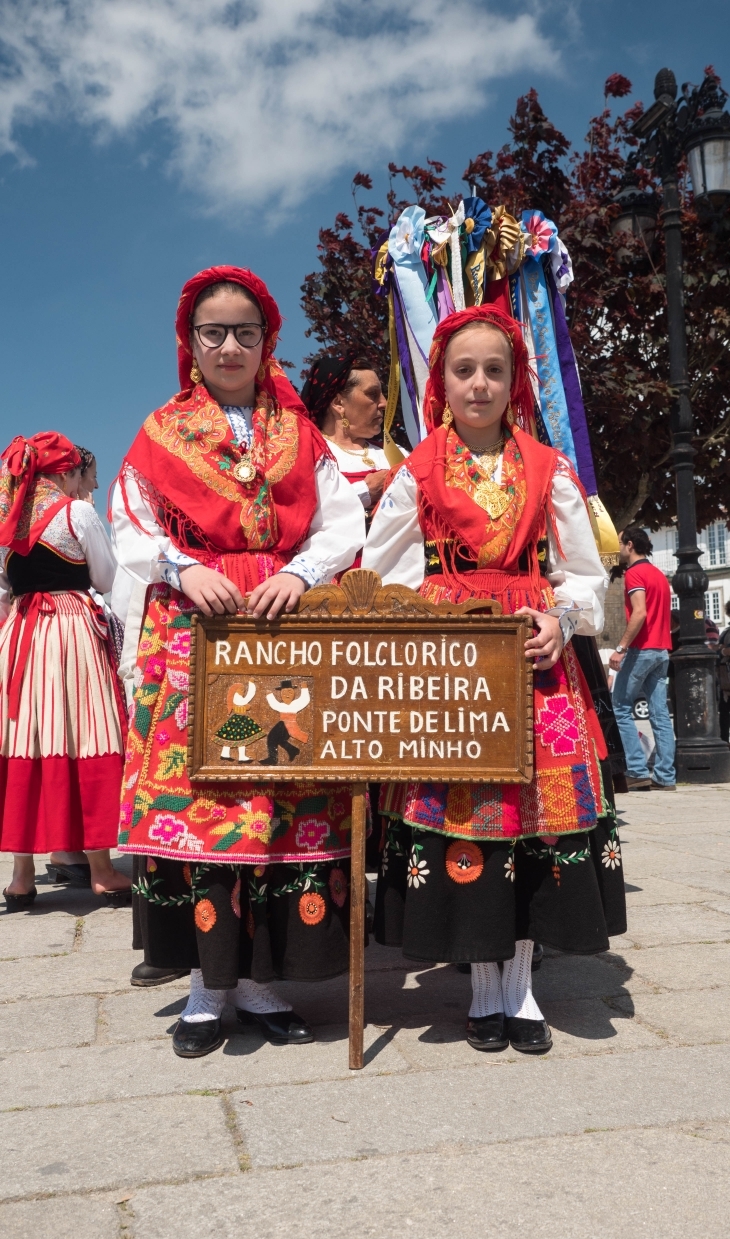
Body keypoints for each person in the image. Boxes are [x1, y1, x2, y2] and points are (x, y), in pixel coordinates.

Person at [111, 265, 365, 1057]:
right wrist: (182, 568)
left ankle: (256, 984)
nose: (229, 345)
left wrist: (300, 573)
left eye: (244, 332)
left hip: (281, 623)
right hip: (196, 630)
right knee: (210, 806)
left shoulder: (299, 433)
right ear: (189, 342)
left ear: (267, 341)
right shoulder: (160, 432)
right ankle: (204, 986)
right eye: (213, 332)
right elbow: (128, 522)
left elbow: (341, 522)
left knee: (279, 799)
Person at [362, 305, 626, 1056]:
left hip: (534, 658)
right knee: (470, 816)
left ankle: (521, 987)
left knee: (534, 819)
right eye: (464, 370)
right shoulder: (415, 474)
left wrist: (560, 619)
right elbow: (382, 576)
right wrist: (424, 632)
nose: (479, 383)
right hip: (451, 667)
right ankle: (484, 987)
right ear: (440, 383)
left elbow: (583, 572)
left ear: (515, 384)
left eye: (494, 370)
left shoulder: (549, 468)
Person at [0, 432, 131, 909]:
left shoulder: (7, 516)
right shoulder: (76, 513)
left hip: (20, 633)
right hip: (69, 628)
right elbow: (106, 577)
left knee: (24, 736)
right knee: (82, 731)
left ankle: (21, 878)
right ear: (65, 473)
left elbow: (4, 585)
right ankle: (101, 871)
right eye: (78, 474)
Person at [608, 527, 676, 791]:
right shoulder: (659, 575)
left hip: (641, 649)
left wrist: (621, 648)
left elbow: (639, 613)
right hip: (662, 650)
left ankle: (636, 770)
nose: (617, 549)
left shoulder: (634, 573)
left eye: (619, 543)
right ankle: (665, 776)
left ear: (629, 545)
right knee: (660, 714)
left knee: (620, 706)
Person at [300, 354, 390, 520]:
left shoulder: (393, 452)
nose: (384, 403)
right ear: (338, 403)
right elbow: (297, 515)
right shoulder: (307, 456)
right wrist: (365, 491)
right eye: (372, 394)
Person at [718, 601, 730, 744]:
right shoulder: (726, 632)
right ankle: (725, 742)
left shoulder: (726, 632)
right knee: (724, 714)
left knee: (725, 714)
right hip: (725, 680)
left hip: (726, 678)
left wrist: (722, 651)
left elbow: (722, 649)